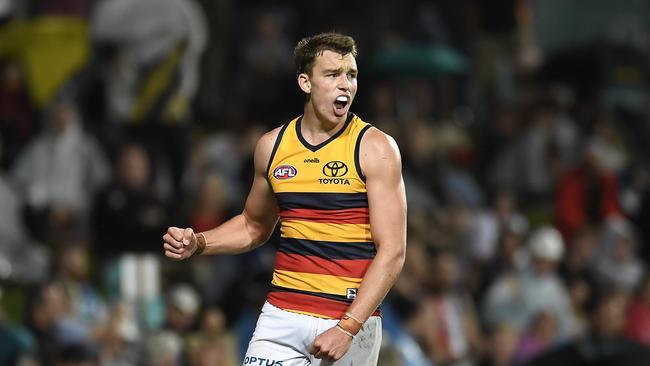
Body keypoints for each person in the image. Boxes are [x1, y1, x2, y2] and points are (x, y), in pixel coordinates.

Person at [162, 32, 407, 365]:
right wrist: (200, 242)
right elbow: (253, 226)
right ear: (305, 82)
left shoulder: (375, 148)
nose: (345, 85)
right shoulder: (272, 148)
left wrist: (348, 327)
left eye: (351, 75)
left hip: (348, 319)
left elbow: (393, 251)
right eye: (333, 75)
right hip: (281, 316)